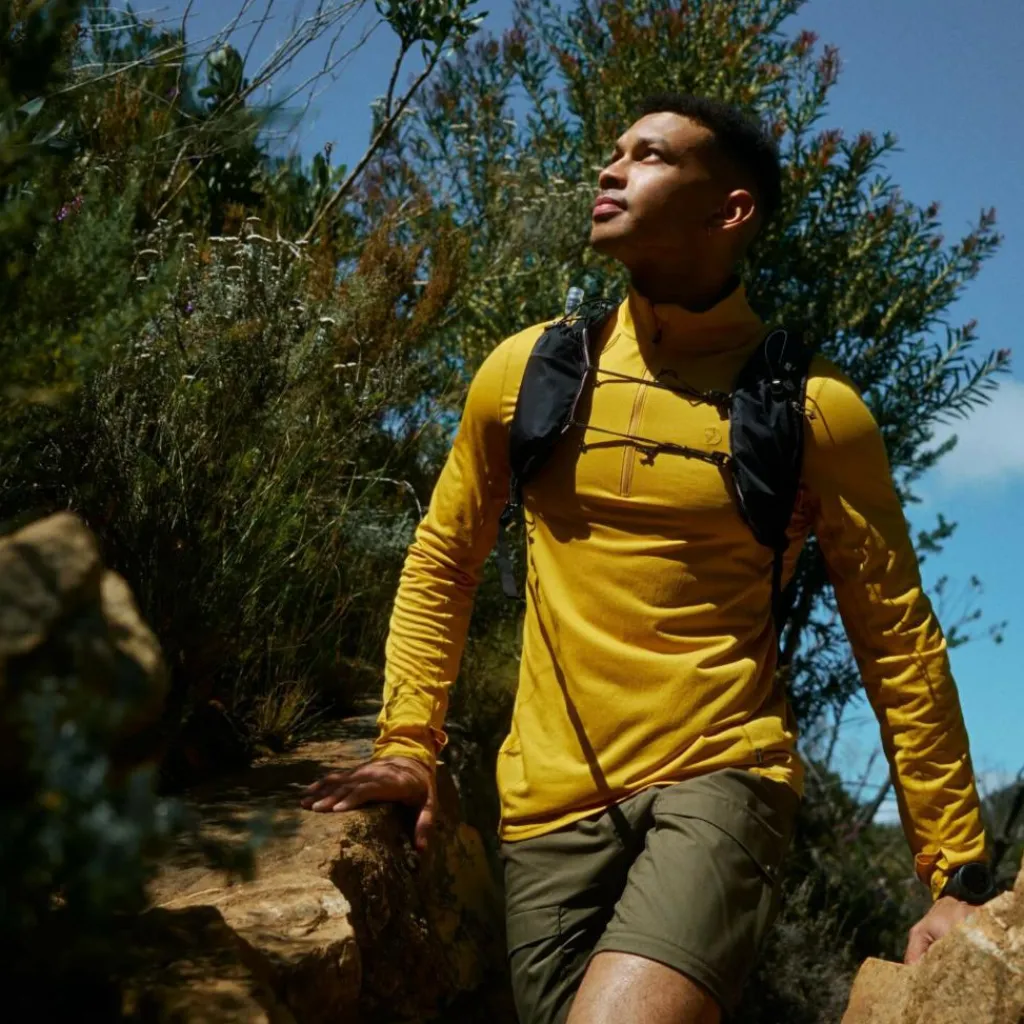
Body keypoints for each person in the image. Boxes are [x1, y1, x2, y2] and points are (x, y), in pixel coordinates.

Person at [302, 94, 991, 1024]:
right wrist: (407, 745)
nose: (612, 168)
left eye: (652, 156)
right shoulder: (526, 372)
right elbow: (443, 563)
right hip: (546, 808)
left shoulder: (815, 413)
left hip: (724, 773)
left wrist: (956, 871)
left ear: (730, 210)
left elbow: (896, 640)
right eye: (617, 151)